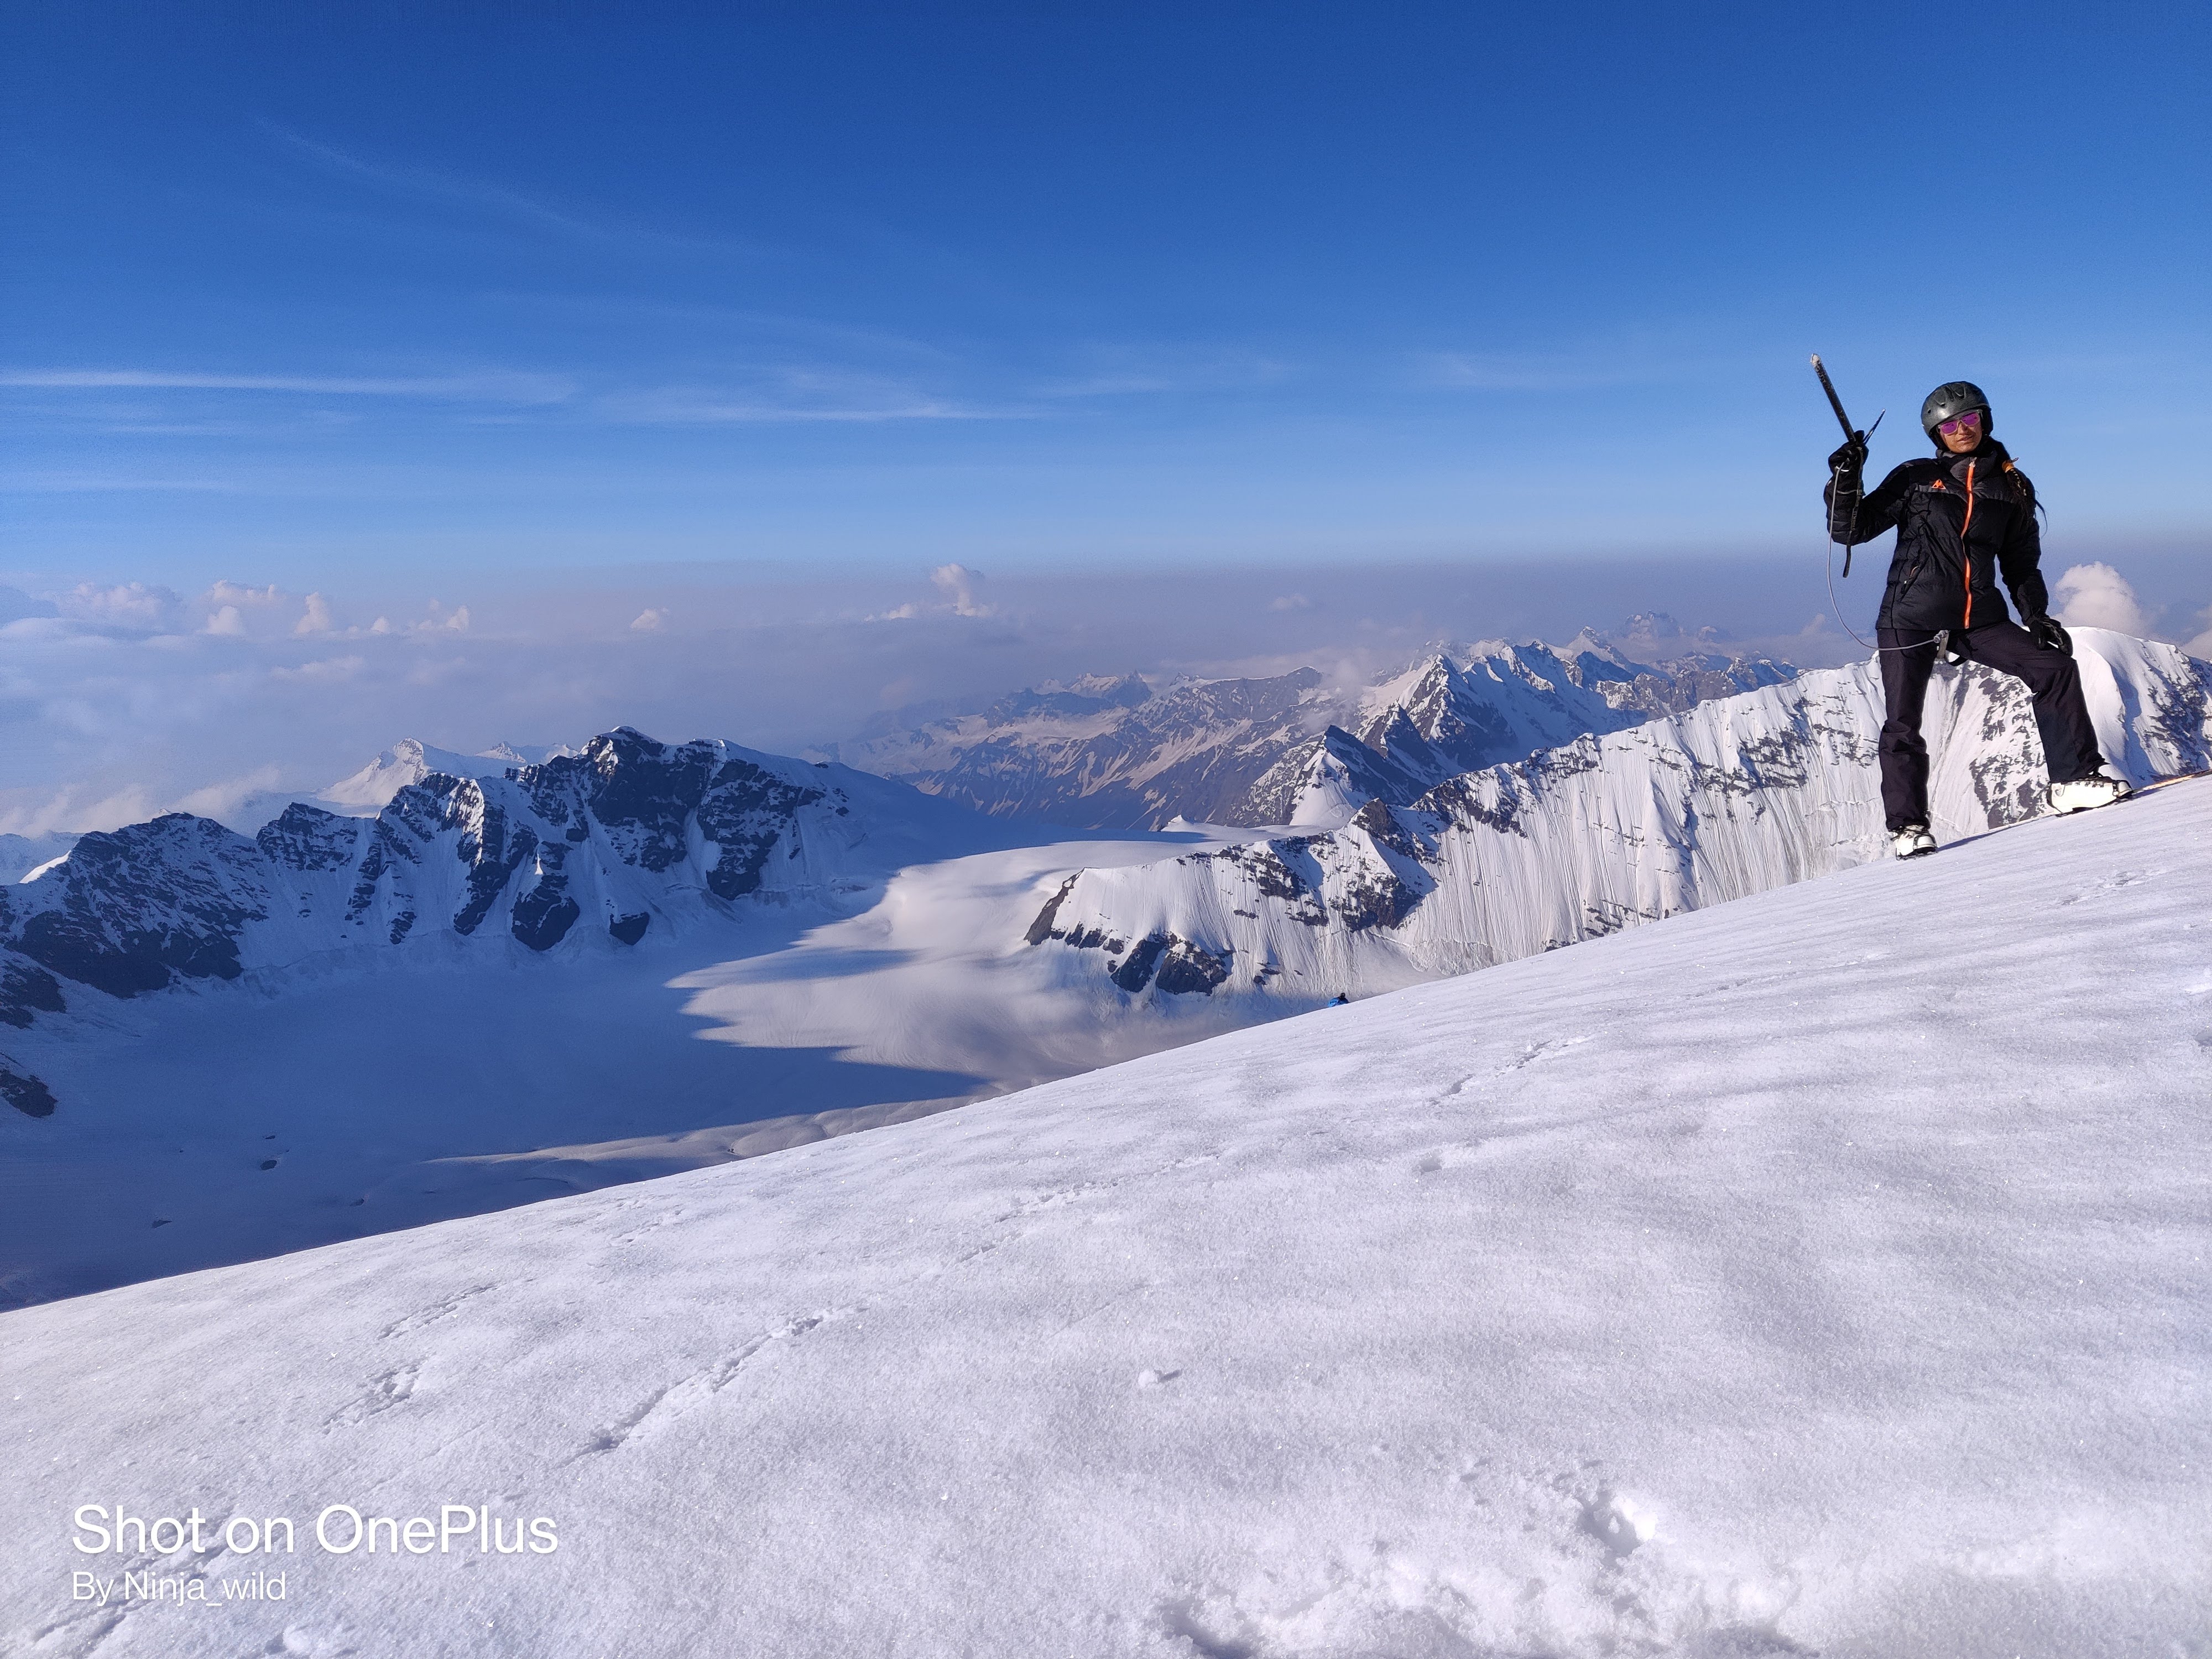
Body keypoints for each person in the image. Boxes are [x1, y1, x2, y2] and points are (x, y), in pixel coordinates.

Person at [1827, 380, 2129, 858]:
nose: (1961, 429)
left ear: (1985, 420)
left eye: (1969, 419)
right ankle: (1908, 828)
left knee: (2055, 670)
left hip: (1978, 618)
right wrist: (1846, 478)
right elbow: (1851, 529)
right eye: (1949, 424)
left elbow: (2021, 562)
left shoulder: (2011, 487)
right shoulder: (1914, 477)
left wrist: (2037, 615)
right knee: (1903, 722)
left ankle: (2072, 781)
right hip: (1911, 616)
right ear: (1935, 433)